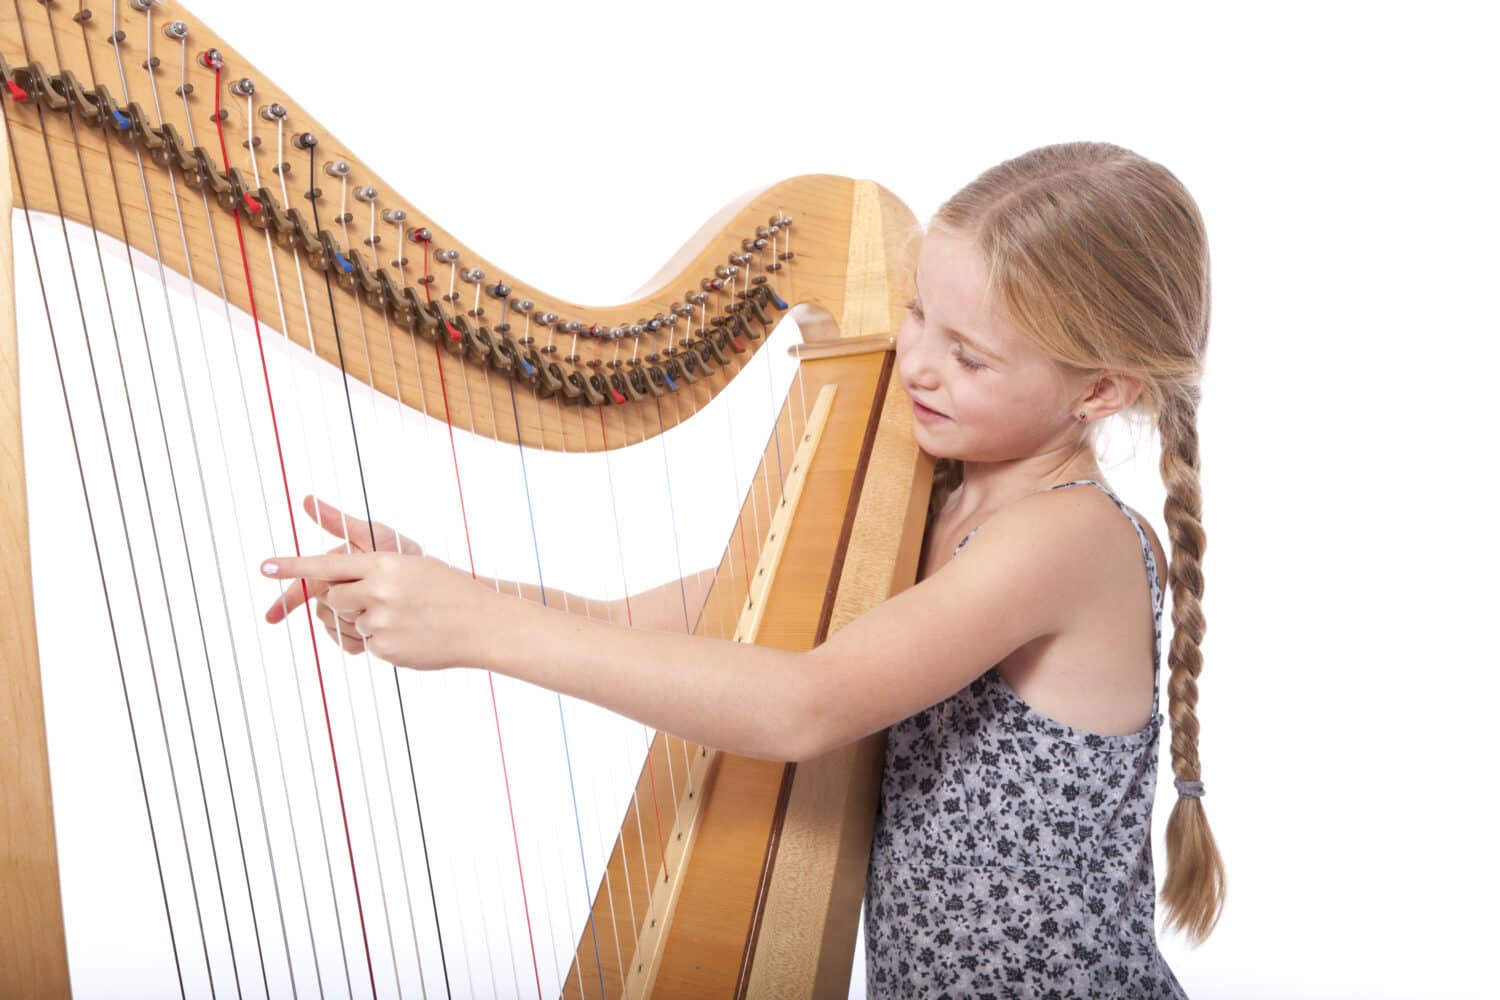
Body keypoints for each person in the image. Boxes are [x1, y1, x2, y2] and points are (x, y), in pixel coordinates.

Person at [262, 140, 1224, 997]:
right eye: (920, 313)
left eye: (967, 356)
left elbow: (802, 705)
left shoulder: (1071, 538)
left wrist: (478, 631)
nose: (916, 362)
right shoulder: (929, 496)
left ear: (1102, 390)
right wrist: (444, 591)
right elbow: (642, 621)